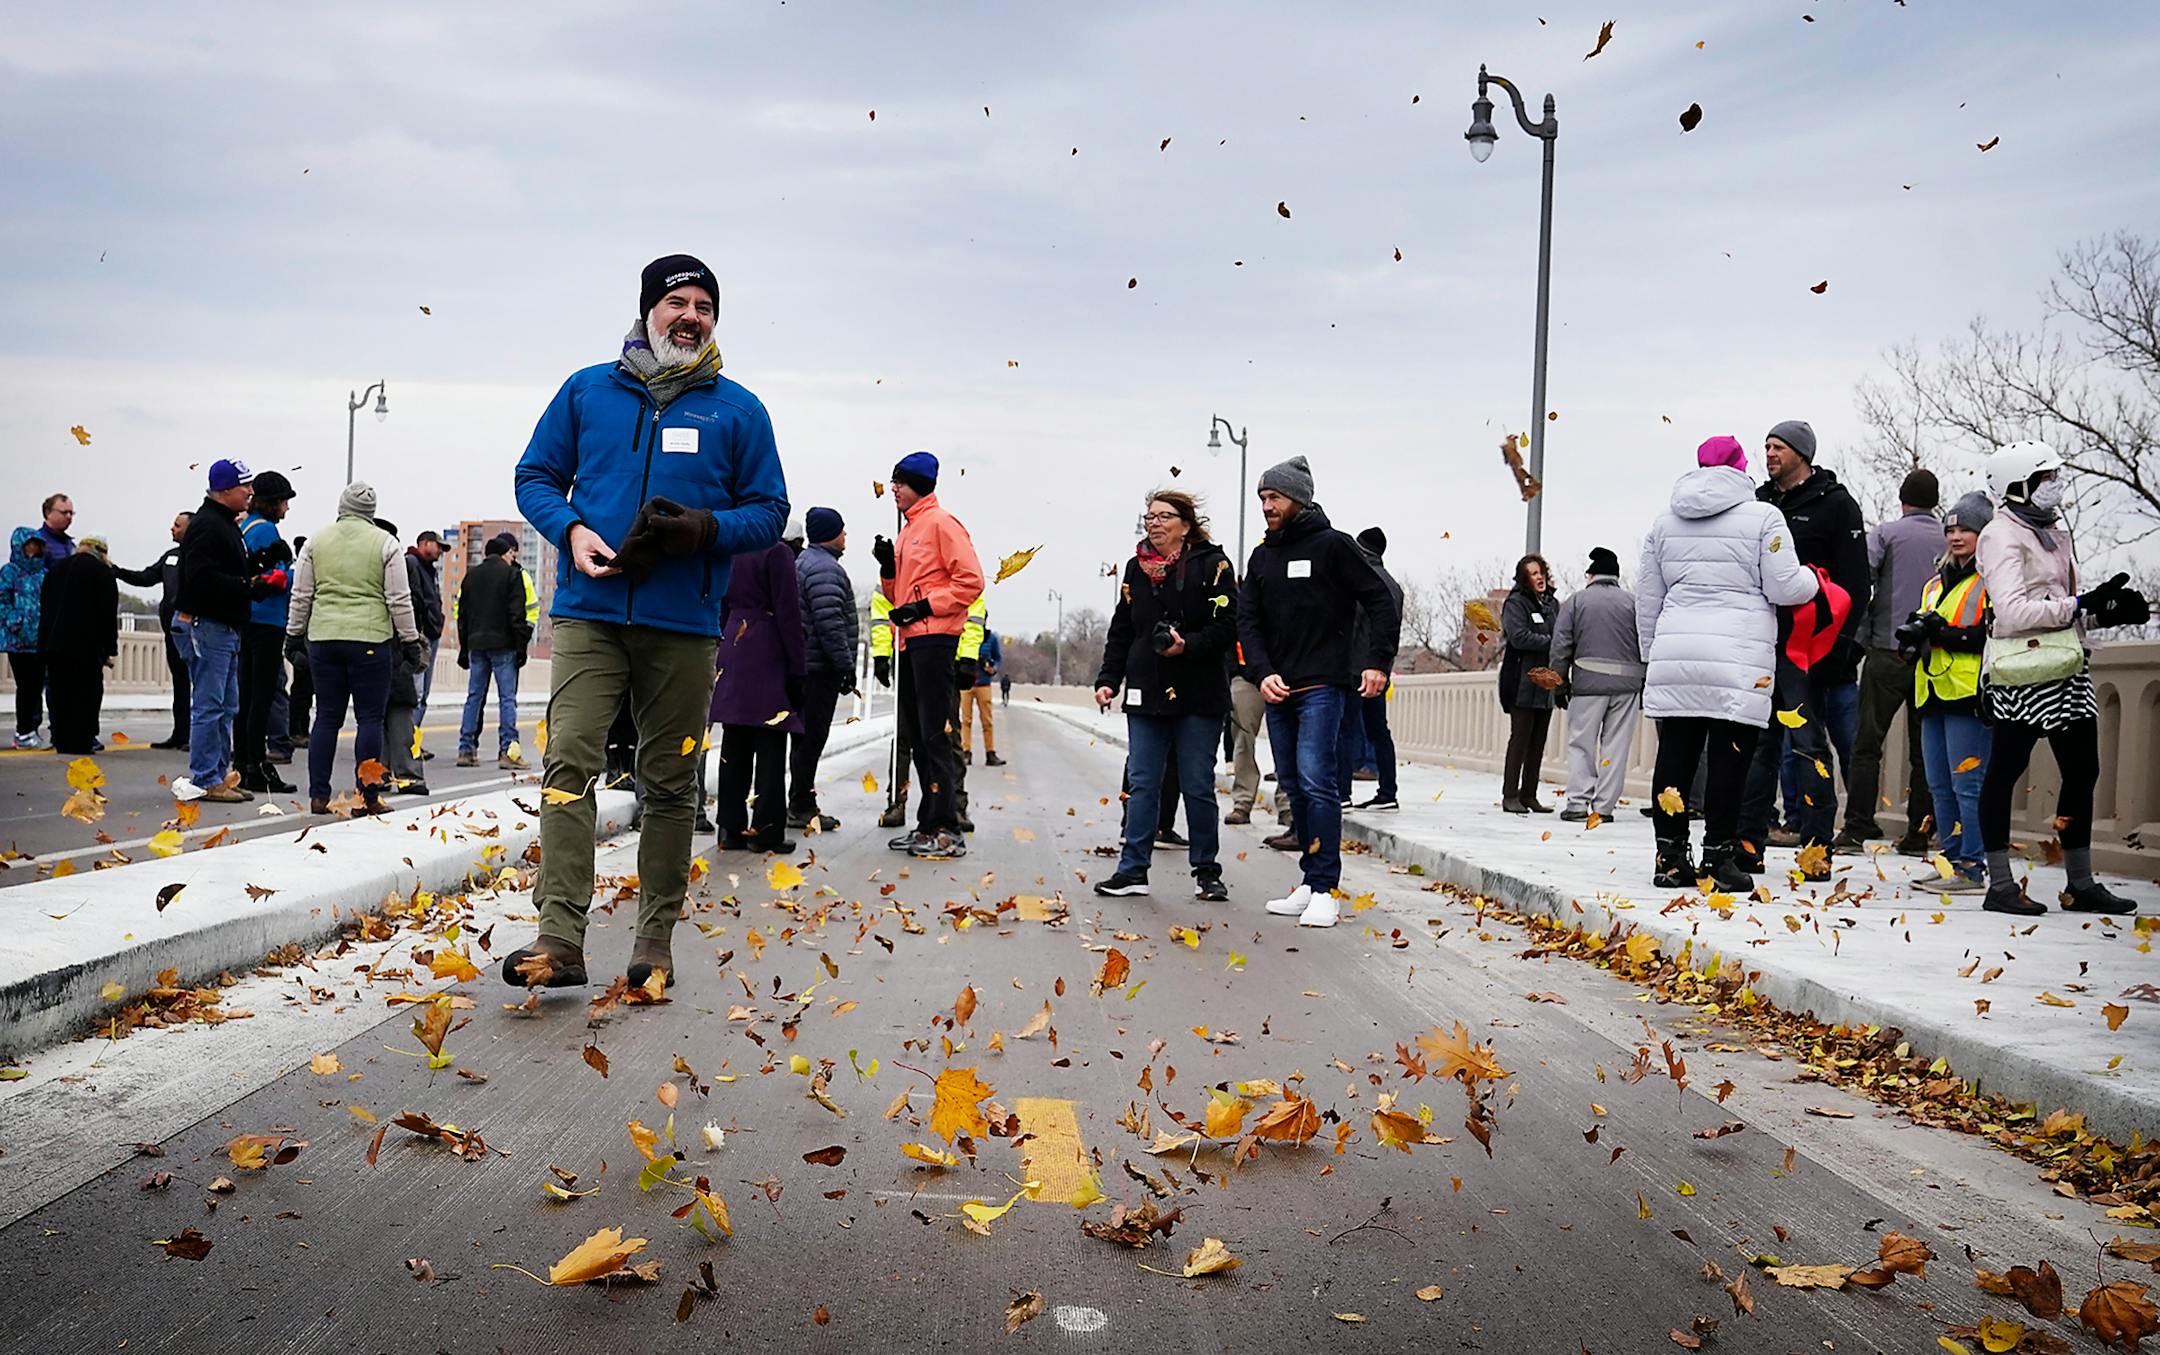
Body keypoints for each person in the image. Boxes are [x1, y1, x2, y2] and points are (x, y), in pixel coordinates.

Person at [504, 253, 788, 992]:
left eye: (705, 306)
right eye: (678, 303)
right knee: (569, 763)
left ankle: (653, 941)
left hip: (684, 623)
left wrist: (706, 528)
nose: (691, 316)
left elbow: (770, 511)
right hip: (590, 613)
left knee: (671, 782)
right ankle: (559, 936)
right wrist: (568, 529)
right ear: (648, 311)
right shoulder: (586, 391)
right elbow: (534, 475)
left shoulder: (738, 410)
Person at [1973, 443, 2148, 916]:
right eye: (2045, 476)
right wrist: (2078, 605)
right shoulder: (2000, 534)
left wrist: (2099, 612)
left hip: (2066, 670)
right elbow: (2010, 612)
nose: (2056, 483)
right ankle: (2001, 885)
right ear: (2018, 485)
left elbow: (2059, 601)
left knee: (2083, 770)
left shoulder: (2051, 532)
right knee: (2004, 774)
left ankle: (2080, 884)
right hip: (2020, 675)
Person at [1638, 436, 1820, 889]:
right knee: (1730, 760)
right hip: (1738, 659)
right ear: (1741, 469)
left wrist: (1651, 656)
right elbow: (1783, 588)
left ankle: (1670, 858)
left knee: (1675, 761)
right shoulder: (1765, 517)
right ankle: (1719, 859)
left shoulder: (1664, 523)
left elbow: (1648, 599)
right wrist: (1812, 581)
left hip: (1676, 654)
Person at [1237, 455, 1398, 928]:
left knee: (1316, 781)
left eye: (1274, 498)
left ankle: (1326, 888)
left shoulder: (1334, 547)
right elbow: (1249, 621)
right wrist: (1262, 671)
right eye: (1263, 498)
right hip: (1277, 687)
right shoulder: (1263, 556)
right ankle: (1308, 882)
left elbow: (1379, 600)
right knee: (1292, 784)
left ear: (1298, 500)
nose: (1267, 506)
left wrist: (1377, 661)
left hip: (1324, 685)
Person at [1090, 489, 1239, 902]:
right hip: (1146, 688)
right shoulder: (1135, 570)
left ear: (1185, 525)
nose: (1153, 523)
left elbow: (1229, 626)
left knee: (1196, 783)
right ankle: (1133, 869)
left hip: (1199, 691)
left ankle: (1207, 871)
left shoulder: (1214, 566)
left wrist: (1186, 645)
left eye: (1163, 517)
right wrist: (1108, 679)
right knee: (1142, 782)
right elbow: (1122, 630)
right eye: (1149, 517)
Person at [1743, 420, 1869, 852]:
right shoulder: (1758, 503)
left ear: (1802, 453)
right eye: (1766, 447)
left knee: (1809, 744)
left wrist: (1842, 647)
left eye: (1778, 446)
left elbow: (1857, 584)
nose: (1770, 454)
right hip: (1760, 644)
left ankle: (1817, 845)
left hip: (1810, 649)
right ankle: (1749, 844)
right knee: (1759, 747)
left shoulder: (1836, 505)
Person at [285, 483, 424, 817]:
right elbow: (398, 599)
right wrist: (410, 640)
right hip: (370, 640)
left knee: (327, 718)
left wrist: (293, 635)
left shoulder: (317, 541)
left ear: (341, 507)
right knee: (370, 719)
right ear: (371, 513)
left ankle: (319, 796)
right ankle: (368, 796)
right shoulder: (386, 544)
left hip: (324, 638)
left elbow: (302, 594)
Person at [879, 451, 984, 860]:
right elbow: (898, 598)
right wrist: (889, 569)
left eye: (900, 483)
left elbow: (971, 580)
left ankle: (946, 827)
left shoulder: (941, 524)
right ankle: (928, 821)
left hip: (935, 639)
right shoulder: (909, 530)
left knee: (937, 734)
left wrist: (924, 609)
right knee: (921, 736)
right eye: (892, 482)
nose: (893, 490)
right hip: (910, 641)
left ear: (919, 485)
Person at [1840, 469, 1940, 854]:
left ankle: (1858, 825)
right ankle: (1918, 833)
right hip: (1932, 658)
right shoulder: (1949, 538)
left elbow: (1861, 579)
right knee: (1924, 751)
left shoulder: (1885, 534)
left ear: (1903, 500)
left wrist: (1859, 635)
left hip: (1886, 651)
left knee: (1866, 744)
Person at [1900, 492, 1994, 895]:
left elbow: (1991, 633)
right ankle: (1952, 861)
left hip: (1969, 694)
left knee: (1967, 784)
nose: (1956, 537)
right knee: (1938, 784)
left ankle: (1974, 866)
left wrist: (1945, 634)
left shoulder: (1990, 579)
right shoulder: (1934, 583)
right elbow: (1925, 625)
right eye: (1951, 529)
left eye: (1966, 530)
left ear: (1983, 535)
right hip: (1931, 691)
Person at [175, 459, 278, 803]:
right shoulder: (207, 526)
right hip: (208, 625)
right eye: (244, 486)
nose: (251, 492)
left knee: (227, 705)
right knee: (210, 704)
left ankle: (218, 775)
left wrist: (261, 566)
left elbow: (230, 568)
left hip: (226, 626)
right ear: (224, 491)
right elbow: (202, 578)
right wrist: (248, 586)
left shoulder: (225, 525)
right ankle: (206, 778)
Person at [712, 528, 807, 853]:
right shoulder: (776, 552)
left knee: (734, 744)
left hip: (733, 644)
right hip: (766, 646)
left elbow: (722, 603)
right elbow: (788, 611)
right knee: (770, 744)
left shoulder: (733, 548)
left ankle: (730, 827)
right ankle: (766, 830)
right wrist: (798, 667)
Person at [1549, 545, 1644, 822]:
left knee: (1582, 744)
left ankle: (1578, 803)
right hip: (1628, 686)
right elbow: (1646, 643)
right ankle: (1603, 808)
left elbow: (1560, 647)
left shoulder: (1576, 602)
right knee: (1616, 746)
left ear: (1591, 575)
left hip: (1588, 684)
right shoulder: (1633, 603)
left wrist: (1559, 684)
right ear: (1616, 576)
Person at [790, 506, 858, 832]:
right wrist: (846, 666)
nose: (846, 536)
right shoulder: (826, 570)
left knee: (800, 739)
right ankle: (802, 806)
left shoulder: (804, 562)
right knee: (811, 739)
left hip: (804, 666)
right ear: (831, 533)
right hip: (819, 669)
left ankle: (795, 800)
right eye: (843, 530)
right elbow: (831, 624)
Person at [236, 471, 297, 795]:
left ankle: (242, 762)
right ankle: (256, 766)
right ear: (271, 503)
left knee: (245, 696)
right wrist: (288, 570)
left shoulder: (243, 526)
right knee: (261, 697)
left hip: (246, 620)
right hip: (268, 621)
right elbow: (275, 579)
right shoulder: (265, 530)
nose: (286, 509)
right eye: (284, 501)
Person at [112, 511, 191, 748]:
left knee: (203, 687)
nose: (172, 528)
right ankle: (180, 734)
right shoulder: (170, 557)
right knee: (179, 683)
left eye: (177, 525)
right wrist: (116, 571)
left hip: (194, 631)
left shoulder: (200, 556)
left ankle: (198, 737)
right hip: (172, 633)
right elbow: (146, 577)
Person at [455, 534, 530, 769]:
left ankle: (466, 750)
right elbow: (517, 615)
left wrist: (464, 647)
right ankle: (508, 751)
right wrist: (521, 647)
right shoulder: (512, 575)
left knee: (474, 697)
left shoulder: (471, 576)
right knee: (507, 699)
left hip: (476, 645)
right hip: (504, 645)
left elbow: (462, 616)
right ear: (505, 553)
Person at [38, 535, 118, 754]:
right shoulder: (103, 573)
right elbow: (107, 615)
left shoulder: (56, 569)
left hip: (53, 643)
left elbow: (44, 607)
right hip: (86, 645)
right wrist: (110, 648)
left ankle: (61, 739)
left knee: (59, 692)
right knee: (86, 694)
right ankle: (82, 741)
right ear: (102, 552)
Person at [1344, 526, 1403, 813]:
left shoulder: (1360, 581)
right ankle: (1388, 791)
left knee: (1345, 729)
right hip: (1381, 668)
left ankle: (1342, 792)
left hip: (1355, 667)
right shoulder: (1394, 586)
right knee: (1379, 730)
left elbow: (1353, 626)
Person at [1498, 554, 1560, 813]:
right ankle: (1510, 794)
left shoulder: (1553, 604)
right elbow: (1519, 637)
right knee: (1520, 739)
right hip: (1521, 680)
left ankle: (1529, 794)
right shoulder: (1516, 603)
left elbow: (1563, 632)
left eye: (1541, 572)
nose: (1539, 577)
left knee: (1538, 742)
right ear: (1525, 577)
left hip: (1545, 684)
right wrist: (1552, 641)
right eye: (1533, 573)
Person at [380, 520, 432, 796]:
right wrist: (414, 640)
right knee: (401, 707)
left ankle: (376, 772)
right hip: (393, 644)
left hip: (356, 643)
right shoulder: (395, 561)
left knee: (372, 712)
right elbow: (407, 603)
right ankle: (407, 774)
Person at [1, 529, 48, 750]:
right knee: (25, 686)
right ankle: (23, 731)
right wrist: (14, 621)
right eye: (29, 545)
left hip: (39, 640)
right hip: (18, 641)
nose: (33, 549)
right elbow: (3, 600)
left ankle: (30, 729)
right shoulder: (9, 572)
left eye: (36, 545)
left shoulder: (43, 573)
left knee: (36, 687)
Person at [406, 530, 446, 740]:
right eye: (437, 545)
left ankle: (412, 742)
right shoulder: (411, 563)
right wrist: (424, 623)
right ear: (424, 543)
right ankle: (406, 744)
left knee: (423, 695)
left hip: (430, 634)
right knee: (416, 693)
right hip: (420, 636)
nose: (440, 551)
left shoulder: (430, 570)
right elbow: (414, 598)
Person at [961, 619, 1004, 766]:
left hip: (984, 683)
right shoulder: (964, 634)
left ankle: (990, 753)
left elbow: (998, 658)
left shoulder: (991, 638)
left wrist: (993, 668)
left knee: (987, 720)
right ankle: (966, 752)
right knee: (965, 720)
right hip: (966, 683)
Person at [36, 494, 75, 561]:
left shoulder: (70, 544)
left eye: (71, 513)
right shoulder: (37, 542)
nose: (69, 516)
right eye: (64, 512)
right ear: (48, 513)